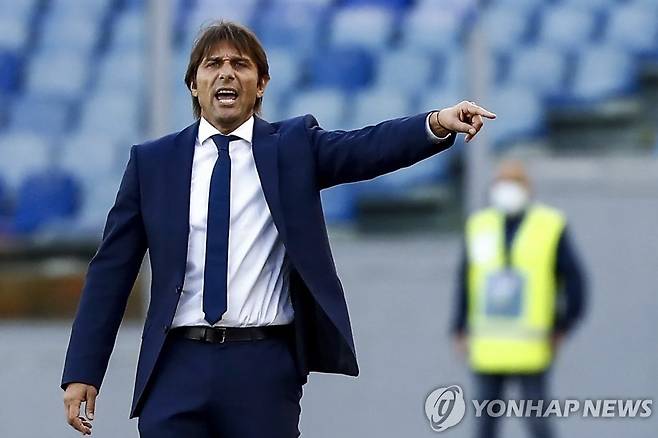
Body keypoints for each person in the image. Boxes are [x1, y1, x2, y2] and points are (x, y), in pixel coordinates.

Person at [61, 21, 496, 437]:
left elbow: (366, 148)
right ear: (194, 83)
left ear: (261, 84)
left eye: (240, 64)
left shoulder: (293, 147)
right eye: (213, 64)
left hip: (262, 366)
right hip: (175, 365)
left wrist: (436, 123)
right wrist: (83, 370)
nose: (226, 73)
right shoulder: (153, 163)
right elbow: (112, 270)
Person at [451, 159, 586, 438]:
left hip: (532, 345)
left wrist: (562, 325)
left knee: (538, 425)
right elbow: (465, 279)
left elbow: (575, 281)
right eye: (502, 181)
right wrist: (459, 326)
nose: (507, 188)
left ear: (528, 187)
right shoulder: (479, 226)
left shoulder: (549, 226)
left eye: (514, 182)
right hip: (487, 345)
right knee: (485, 427)